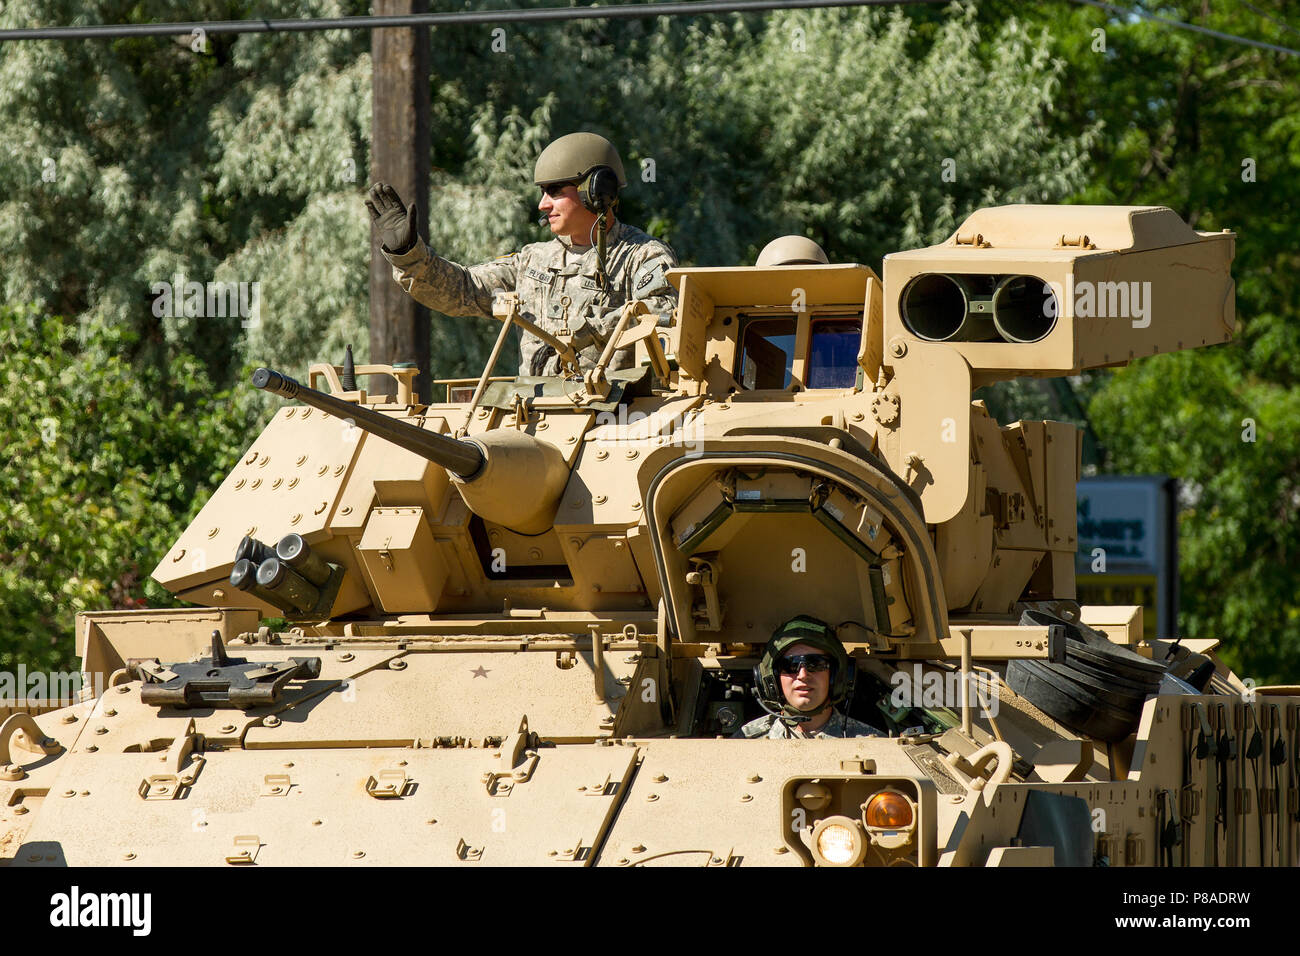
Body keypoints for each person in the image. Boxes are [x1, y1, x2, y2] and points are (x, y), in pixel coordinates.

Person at [366, 132, 678, 377]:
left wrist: (588, 329)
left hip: (614, 418)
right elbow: (462, 290)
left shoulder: (642, 255)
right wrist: (408, 254)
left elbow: (663, 312)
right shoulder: (532, 261)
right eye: (542, 192)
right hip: (534, 417)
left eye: (554, 191)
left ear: (597, 191)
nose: (543, 204)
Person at [734, 615, 883, 739]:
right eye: (789, 665)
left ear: (837, 676)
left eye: (816, 663)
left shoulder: (874, 745)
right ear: (772, 680)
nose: (803, 675)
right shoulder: (744, 743)